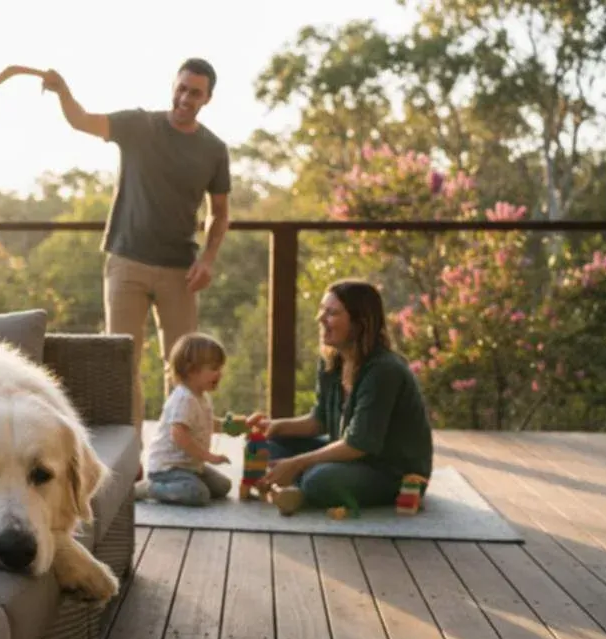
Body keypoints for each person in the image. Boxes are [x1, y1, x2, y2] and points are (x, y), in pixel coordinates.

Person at [40, 58, 232, 429]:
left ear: (207, 99)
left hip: (180, 269)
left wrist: (208, 259)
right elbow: (81, 120)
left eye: (195, 92)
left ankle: (176, 452)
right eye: (181, 88)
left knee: (185, 365)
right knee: (121, 360)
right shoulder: (138, 125)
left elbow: (220, 212)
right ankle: (132, 458)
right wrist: (63, 91)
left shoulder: (213, 149)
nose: (185, 97)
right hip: (126, 261)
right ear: (173, 86)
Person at [246, 279, 434, 515]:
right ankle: (293, 487)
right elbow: (319, 420)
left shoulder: (384, 370)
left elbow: (358, 444)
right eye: (322, 310)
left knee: (319, 479)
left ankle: (296, 485)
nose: (320, 318)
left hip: (390, 472)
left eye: (332, 313)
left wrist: (296, 463)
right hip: (350, 460)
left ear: (360, 323)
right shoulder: (332, 361)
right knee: (265, 445)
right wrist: (274, 427)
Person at [135, 332, 245, 507]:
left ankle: (186, 482)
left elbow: (208, 424)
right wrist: (208, 456)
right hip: (168, 468)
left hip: (190, 466)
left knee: (223, 487)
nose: (220, 374)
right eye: (214, 368)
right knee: (198, 494)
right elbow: (179, 434)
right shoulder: (184, 399)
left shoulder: (202, 397)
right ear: (192, 370)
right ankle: (149, 488)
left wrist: (235, 426)